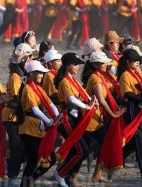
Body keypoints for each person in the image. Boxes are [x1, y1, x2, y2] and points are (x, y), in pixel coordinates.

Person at [82, 50, 125, 183]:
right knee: (79, 151)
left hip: (95, 120)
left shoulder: (99, 76)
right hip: (89, 121)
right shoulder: (96, 79)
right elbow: (101, 100)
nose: (107, 65)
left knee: (106, 143)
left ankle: (97, 174)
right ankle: (64, 173)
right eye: (103, 63)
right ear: (96, 65)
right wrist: (113, 114)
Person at [54, 52, 96, 187]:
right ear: (68, 66)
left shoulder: (74, 81)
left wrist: (92, 101)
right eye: (76, 65)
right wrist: (87, 106)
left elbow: (83, 95)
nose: (78, 67)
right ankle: (60, 173)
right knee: (81, 151)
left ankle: (65, 175)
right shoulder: (64, 82)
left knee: (77, 150)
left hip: (75, 119)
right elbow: (71, 99)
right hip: (67, 120)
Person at [19, 60, 61, 187]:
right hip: (28, 128)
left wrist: (57, 116)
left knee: (50, 158)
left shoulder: (38, 88)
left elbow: (50, 104)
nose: (42, 76)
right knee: (32, 161)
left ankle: (31, 180)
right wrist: (50, 121)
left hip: (38, 127)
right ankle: (25, 184)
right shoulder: (28, 89)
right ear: (31, 73)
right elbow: (35, 110)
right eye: (40, 74)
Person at [117, 48, 142, 181]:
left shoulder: (137, 72)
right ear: (128, 62)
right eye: (135, 60)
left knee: (135, 141)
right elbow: (127, 94)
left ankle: (116, 159)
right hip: (132, 108)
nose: (138, 62)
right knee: (140, 139)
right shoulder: (125, 75)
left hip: (140, 107)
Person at [4, 43, 35, 186]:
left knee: (20, 147)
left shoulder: (20, 75)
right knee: (18, 148)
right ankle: (11, 178)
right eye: (29, 59)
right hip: (12, 116)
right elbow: (16, 100)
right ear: (22, 61)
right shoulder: (16, 78)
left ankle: (10, 171)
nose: (30, 61)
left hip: (16, 115)